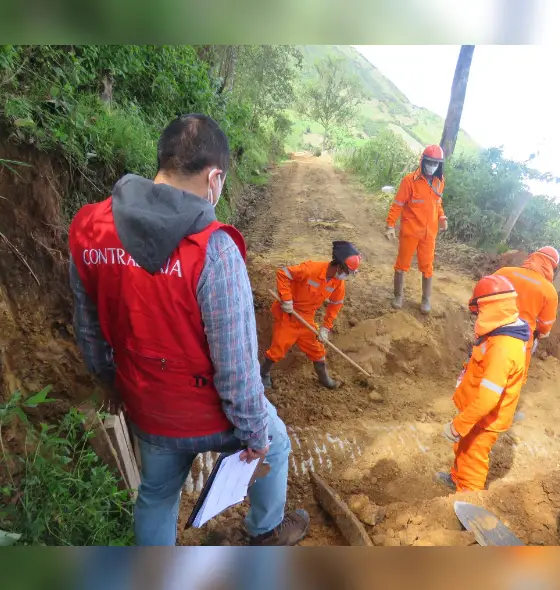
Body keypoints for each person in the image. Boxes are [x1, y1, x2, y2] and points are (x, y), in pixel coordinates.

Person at [67, 113, 308, 546]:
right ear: (215, 177)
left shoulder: (90, 228)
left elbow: (90, 335)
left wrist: (118, 385)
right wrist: (253, 433)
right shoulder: (214, 250)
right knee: (276, 440)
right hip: (210, 414)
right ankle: (264, 533)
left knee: (156, 495)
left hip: (148, 407)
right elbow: (236, 367)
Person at [435, 275, 530, 491]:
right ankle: (455, 479)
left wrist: (459, 425)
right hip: (474, 415)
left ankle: (467, 507)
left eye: (479, 312)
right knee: (462, 450)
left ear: (489, 309)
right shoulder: (500, 334)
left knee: (472, 464)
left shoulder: (503, 348)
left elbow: (488, 398)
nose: (477, 317)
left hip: (482, 420)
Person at [261, 241, 361, 390]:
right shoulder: (311, 269)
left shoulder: (338, 284)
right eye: (347, 271)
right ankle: (263, 373)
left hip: (306, 317)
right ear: (339, 265)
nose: (347, 275)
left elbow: (336, 305)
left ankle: (324, 378)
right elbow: (283, 273)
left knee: (317, 350)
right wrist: (287, 299)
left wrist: (325, 328)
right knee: (279, 348)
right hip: (288, 314)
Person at [385, 144, 447, 314]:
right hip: (411, 231)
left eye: (436, 163)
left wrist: (441, 217)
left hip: (429, 234)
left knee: (427, 266)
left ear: (439, 165)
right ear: (423, 161)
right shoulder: (409, 181)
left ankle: (426, 299)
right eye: (429, 162)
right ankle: (398, 296)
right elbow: (397, 204)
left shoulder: (439, 182)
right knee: (402, 265)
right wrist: (390, 225)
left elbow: (437, 203)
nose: (432, 166)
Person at [494, 246, 560, 375]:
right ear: (552, 267)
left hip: (491, 331)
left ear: (532, 257)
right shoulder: (549, 291)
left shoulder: (504, 272)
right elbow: (545, 327)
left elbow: (480, 297)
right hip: (520, 341)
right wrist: (540, 333)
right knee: (512, 379)